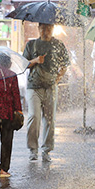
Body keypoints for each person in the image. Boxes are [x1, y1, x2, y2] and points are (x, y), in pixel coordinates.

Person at [22, 23, 70, 162]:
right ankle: (33, 149)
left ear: (53, 29)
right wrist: (35, 60)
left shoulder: (58, 45)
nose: (45, 31)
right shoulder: (31, 45)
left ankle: (46, 150)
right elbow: (24, 64)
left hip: (50, 87)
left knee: (50, 120)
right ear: (39, 29)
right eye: (43, 28)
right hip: (34, 87)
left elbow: (65, 64)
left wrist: (58, 78)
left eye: (48, 28)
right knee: (34, 117)